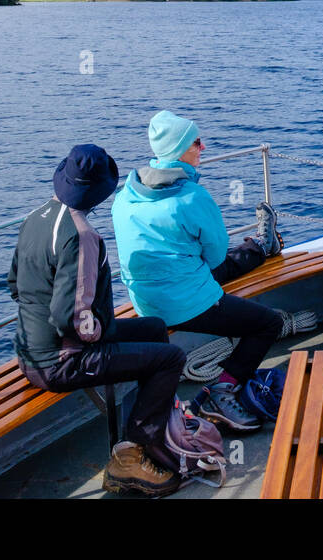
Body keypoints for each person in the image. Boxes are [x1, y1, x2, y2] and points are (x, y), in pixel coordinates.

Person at [8, 144, 187, 497]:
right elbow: (71, 319)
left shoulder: (37, 216)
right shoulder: (81, 237)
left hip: (31, 353)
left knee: (153, 326)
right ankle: (130, 457)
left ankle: (156, 425)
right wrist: (99, 331)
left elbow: (15, 285)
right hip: (61, 362)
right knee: (171, 359)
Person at [111, 110, 285, 433]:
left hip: (146, 303)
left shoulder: (124, 197)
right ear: (180, 150)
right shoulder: (192, 197)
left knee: (209, 266)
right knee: (268, 323)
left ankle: (262, 245)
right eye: (197, 142)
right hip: (187, 304)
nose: (203, 148)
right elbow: (217, 256)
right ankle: (223, 391)